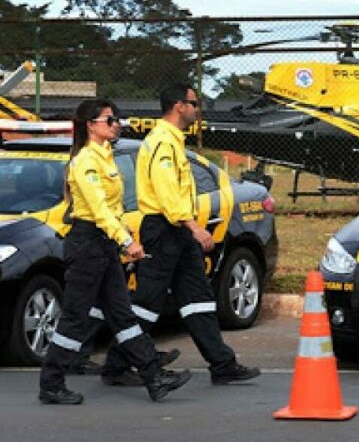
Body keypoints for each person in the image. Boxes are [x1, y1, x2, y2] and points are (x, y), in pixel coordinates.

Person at [102, 83, 260, 385]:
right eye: (194, 103)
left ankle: (222, 365)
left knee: (198, 298)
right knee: (147, 302)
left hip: (174, 231)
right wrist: (194, 227)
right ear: (178, 106)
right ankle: (117, 363)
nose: (197, 109)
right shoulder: (163, 142)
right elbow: (166, 193)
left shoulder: (172, 141)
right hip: (164, 229)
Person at [38, 98, 192, 404]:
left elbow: (114, 209)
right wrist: (126, 242)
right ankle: (51, 384)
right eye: (110, 120)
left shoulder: (107, 157)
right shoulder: (85, 162)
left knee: (122, 315)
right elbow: (99, 211)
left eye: (117, 119)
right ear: (90, 126)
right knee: (75, 318)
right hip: (87, 244)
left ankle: (153, 377)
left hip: (103, 245)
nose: (116, 124)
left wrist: (122, 238)